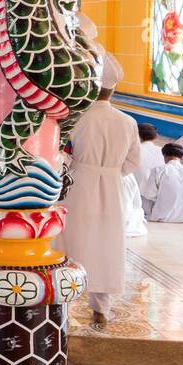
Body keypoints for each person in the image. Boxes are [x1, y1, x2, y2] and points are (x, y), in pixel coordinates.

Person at [57, 56, 140, 327]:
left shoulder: (75, 118)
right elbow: (133, 163)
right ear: (113, 89)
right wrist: (110, 172)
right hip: (112, 187)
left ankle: (63, 303)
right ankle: (101, 308)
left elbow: (62, 155)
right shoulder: (127, 122)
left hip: (79, 183)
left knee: (72, 240)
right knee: (107, 241)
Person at [141, 143, 183, 223]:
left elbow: (149, 194)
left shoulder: (158, 170)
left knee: (143, 196)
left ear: (164, 156)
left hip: (163, 216)